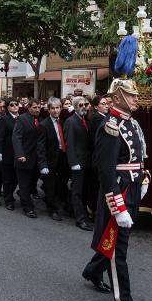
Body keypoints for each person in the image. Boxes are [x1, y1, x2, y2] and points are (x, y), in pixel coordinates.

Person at [82, 79, 149, 301]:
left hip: (131, 187)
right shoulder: (110, 126)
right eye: (131, 95)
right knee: (118, 249)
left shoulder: (133, 123)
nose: (136, 99)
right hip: (118, 191)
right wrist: (117, 206)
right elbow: (106, 171)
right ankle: (125, 300)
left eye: (136, 95)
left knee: (117, 239)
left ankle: (92, 271)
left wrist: (144, 177)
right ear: (118, 97)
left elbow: (139, 157)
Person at [11, 98, 44, 218]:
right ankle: (28, 207)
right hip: (24, 158)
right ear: (29, 107)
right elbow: (16, 137)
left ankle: (23, 194)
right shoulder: (22, 119)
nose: (37, 109)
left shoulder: (39, 120)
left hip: (36, 159)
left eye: (39, 107)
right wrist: (20, 154)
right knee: (24, 184)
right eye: (34, 107)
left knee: (32, 183)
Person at [66, 96, 94, 231]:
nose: (84, 107)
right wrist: (73, 162)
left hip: (87, 162)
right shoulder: (71, 122)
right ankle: (80, 219)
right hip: (77, 162)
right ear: (75, 107)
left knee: (85, 190)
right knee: (77, 191)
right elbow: (69, 143)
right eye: (81, 105)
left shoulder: (86, 121)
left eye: (85, 104)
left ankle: (81, 213)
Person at [38, 97, 65, 221]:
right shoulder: (44, 125)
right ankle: (52, 209)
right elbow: (41, 146)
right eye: (53, 108)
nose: (55, 111)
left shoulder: (63, 122)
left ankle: (59, 203)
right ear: (48, 110)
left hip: (62, 157)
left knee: (61, 183)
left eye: (57, 108)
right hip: (50, 159)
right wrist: (43, 164)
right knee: (50, 185)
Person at [0, 98, 20, 210]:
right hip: (7, 152)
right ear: (8, 107)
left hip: (19, 153)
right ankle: (8, 199)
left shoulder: (21, 118)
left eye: (16, 104)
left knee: (16, 178)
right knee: (7, 178)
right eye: (12, 105)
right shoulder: (4, 119)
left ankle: (9, 194)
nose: (15, 106)